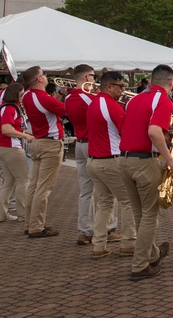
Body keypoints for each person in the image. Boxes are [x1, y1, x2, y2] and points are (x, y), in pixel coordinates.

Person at [119, 64, 173, 280]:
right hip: (144, 161)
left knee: (139, 214)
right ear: (170, 82)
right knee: (150, 216)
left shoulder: (134, 99)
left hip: (124, 159)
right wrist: (170, 159)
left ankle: (152, 254)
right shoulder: (162, 99)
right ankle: (140, 265)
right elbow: (153, 131)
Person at [85, 71, 136, 259]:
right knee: (129, 201)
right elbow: (126, 132)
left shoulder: (93, 103)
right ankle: (129, 243)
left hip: (94, 161)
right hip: (110, 159)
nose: (123, 90)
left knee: (104, 204)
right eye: (120, 86)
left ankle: (98, 245)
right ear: (109, 86)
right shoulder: (111, 106)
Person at [20, 66, 65, 238]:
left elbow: (50, 106)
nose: (46, 77)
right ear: (39, 79)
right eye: (44, 75)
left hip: (38, 141)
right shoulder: (43, 97)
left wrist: (60, 94)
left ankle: (29, 222)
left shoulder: (27, 95)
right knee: (44, 188)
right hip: (50, 144)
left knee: (34, 185)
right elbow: (64, 110)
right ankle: (37, 226)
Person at [64, 64, 106, 246]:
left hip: (80, 143)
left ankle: (84, 230)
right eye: (94, 76)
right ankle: (107, 229)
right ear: (88, 77)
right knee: (105, 190)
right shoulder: (89, 98)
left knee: (85, 191)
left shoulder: (68, 98)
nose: (95, 80)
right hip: (93, 144)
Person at [0, 83, 33, 224]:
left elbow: (10, 128)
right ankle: (23, 214)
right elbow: (7, 129)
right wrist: (25, 136)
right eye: (21, 94)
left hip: (3, 146)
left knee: (8, 182)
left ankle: (0, 214)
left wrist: (25, 133)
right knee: (23, 180)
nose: (23, 97)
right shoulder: (10, 108)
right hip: (11, 147)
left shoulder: (6, 107)